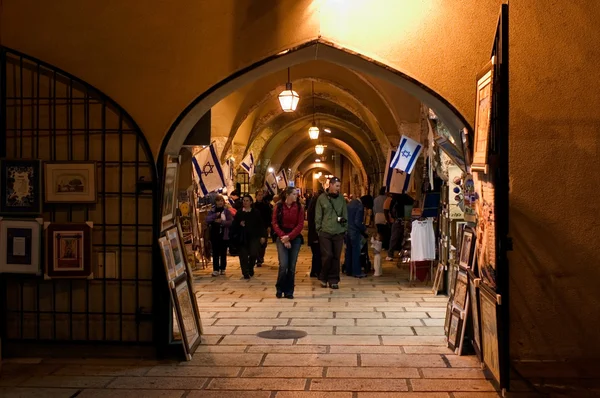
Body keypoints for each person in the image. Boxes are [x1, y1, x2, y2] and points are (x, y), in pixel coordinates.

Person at [315, 176, 348, 289]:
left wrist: (344, 228)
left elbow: (345, 214)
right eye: (337, 186)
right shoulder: (322, 199)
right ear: (331, 185)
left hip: (338, 232)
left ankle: (334, 279)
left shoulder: (341, 199)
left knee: (336, 257)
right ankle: (323, 276)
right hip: (325, 231)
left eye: (339, 186)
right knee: (328, 255)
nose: (338, 189)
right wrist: (318, 229)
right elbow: (318, 215)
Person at [272, 187, 304, 299]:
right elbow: (275, 223)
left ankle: (289, 290)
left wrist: (289, 237)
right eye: (294, 194)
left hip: (294, 237)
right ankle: (280, 288)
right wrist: (283, 237)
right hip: (281, 236)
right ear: (288, 195)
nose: (296, 196)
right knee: (283, 264)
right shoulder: (279, 206)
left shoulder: (299, 207)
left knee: (291, 266)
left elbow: (300, 224)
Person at [231, 194, 267, 279]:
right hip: (242, 237)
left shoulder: (255, 212)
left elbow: (261, 224)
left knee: (253, 253)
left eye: (247, 201)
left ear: (251, 202)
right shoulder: (239, 212)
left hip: (254, 237)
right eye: (244, 200)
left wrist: (263, 236)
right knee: (243, 255)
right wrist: (239, 224)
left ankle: (250, 267)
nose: (245, 202)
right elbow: (234, 225)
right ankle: (245, 272)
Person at [205, 195, 234, 276]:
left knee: (223, 252)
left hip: (224, 234)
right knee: (215, 252)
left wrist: (222, 222)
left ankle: (223, 268)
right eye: (218, 201)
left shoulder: (226, 211)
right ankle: (216, 269)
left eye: (221, 201)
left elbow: (230, 222)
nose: (220, 202)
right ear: (216, 202)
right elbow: (207, 219)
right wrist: (215, 215)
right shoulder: (212, 211)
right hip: (214, 234)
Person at [387, 192, 415, 260]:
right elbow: (413, 203)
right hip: (406, 219)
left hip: (398, 220)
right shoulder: (407, 198)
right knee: (405, 237)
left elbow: (391, 209)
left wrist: (393, 217)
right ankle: (404, 253)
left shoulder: (395, 199)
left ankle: (390, 254)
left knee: (394, 237)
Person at [345, 196, 368, 278]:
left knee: (349, 251)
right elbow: (358, 222)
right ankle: (357, 271)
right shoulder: (359, 206)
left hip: (347, 230)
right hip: (355, 232)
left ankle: (348, 270)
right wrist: (364, 229)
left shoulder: (350, 203)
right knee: (356, 252)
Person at [307, 188, 324, 278]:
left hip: (313, 234)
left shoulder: (312, 204)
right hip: (315, 234)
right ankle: (317, 271)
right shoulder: (316, 207)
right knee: (318, 253)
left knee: (316, 253)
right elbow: (315, 222)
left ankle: (314, 271)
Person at [253, 189, 272, 267]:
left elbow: (268, 217)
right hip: (255, 227)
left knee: (263, 243)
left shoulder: (266, 206)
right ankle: (257, 258)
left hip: (264, 226)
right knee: (255, 243)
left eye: (261, 195)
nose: (260, 197)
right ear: (256, 196)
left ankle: (260, 258)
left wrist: (269, 226)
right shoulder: (253, 206)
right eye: (259, 195)